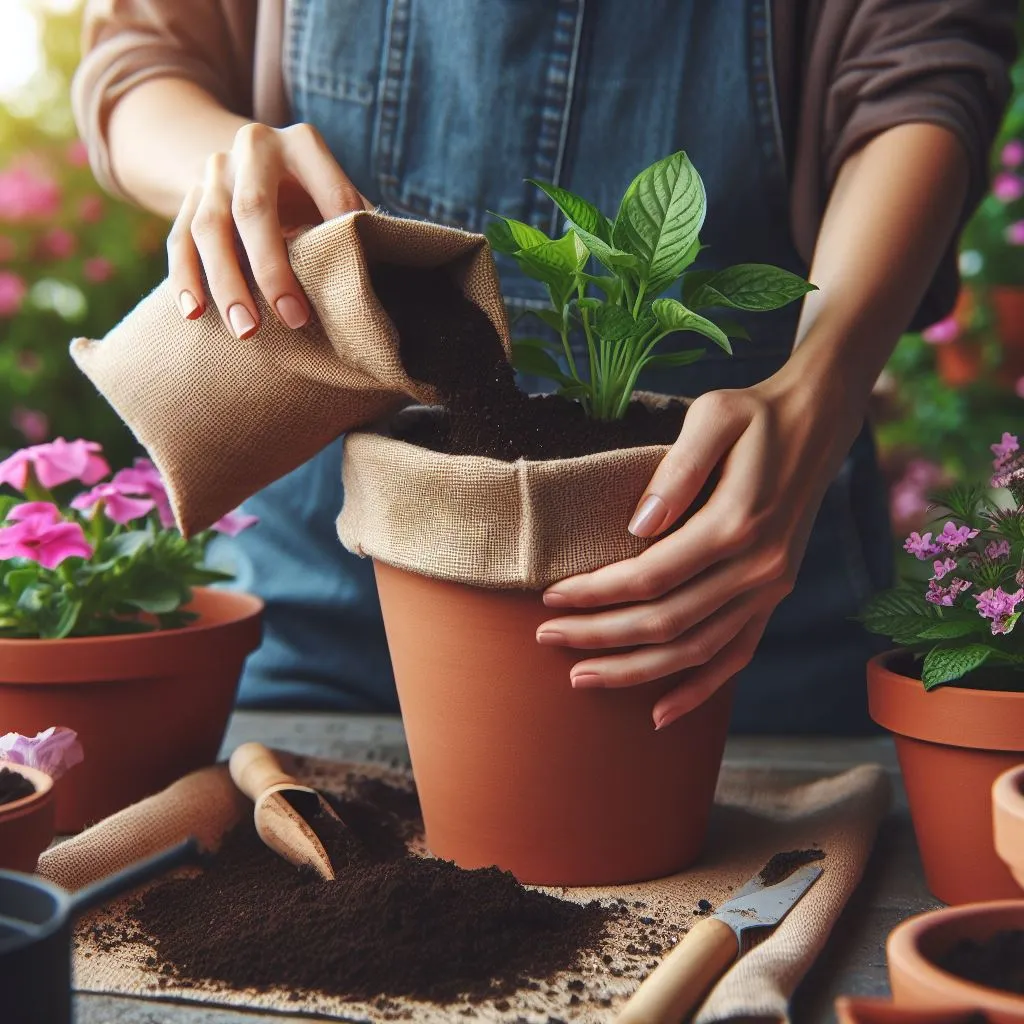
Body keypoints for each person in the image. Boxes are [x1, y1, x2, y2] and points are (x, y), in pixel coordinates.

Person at [73, 0, 1017, 733]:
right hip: (330, 578)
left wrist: (824, 379)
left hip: (719, 588)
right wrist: (232, 168)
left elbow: (925, 69)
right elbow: (141, 53)